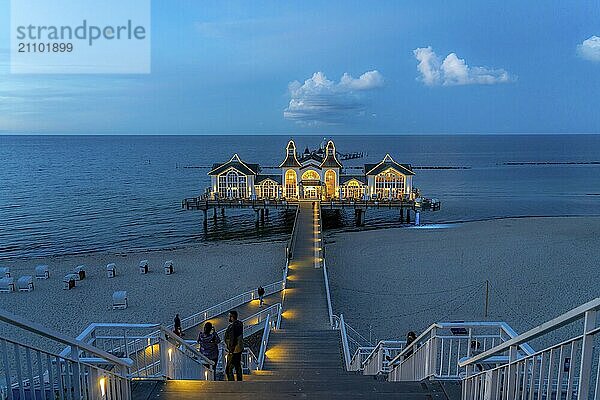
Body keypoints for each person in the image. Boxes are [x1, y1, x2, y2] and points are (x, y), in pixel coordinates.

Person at [224, 310, 244, 381]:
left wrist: (231, 350)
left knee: (228, 369)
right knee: (238, 365)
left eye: (229, 316)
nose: (228, 318)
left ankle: (232, 383)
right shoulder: (240, 324)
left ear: (232, 317)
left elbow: (232, 339)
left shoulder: (232, 327)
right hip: (239, 348)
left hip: (234, 350)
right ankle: (239, 381)